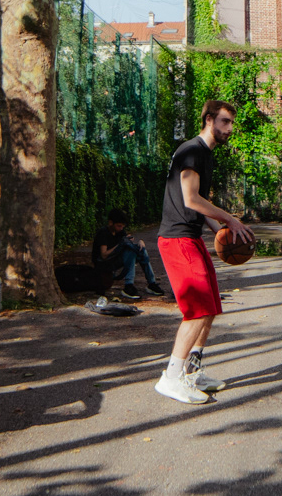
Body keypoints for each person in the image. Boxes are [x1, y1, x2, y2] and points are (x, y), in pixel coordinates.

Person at [154, 100, 256, 405]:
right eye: (225, 122)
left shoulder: (205, 154)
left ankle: (192, 371)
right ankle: (171, 377)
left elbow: (199, 204)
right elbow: (190, 199)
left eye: (232, 123)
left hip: (192, 237)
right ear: (209, 120)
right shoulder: (191, 151)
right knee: (197, 310)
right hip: (177, 239)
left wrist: (221, 230)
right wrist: (229, 219)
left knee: (210, 307)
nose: (230, 129)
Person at [92, 211, 164, 299]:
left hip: (114, 259)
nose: (121, 228)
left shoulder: (120, 232)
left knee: (141, 250)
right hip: (104, 263)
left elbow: (127, 241)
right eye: (119, 226)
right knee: (130, 253)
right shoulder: (103, 233)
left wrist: (139, 242)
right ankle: (128, 285)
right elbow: (104, 255)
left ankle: (152, 283)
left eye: (122, 226)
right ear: (111, 223)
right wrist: (120, 245)